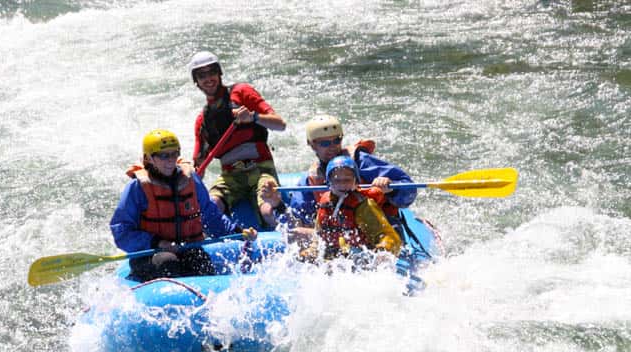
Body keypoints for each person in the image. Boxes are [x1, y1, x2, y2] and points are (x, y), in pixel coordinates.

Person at [110, 129, 255, 282]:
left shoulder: (189, 179)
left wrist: (238, 232)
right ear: (149, 158)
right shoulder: (137, 188)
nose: (170, 160)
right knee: (168, 262)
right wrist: (157, 242)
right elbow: (121, 230)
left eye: (174, 153)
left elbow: (211, 215)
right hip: (151, 253)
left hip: (186, 249)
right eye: (164, 155)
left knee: (201, 262)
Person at [261, 114, 416, 242]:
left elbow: (409, 190)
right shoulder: (310, 180)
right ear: (312, 145)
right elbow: (298, 224)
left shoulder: (361, 161)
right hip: (343, 237)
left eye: (337, 140)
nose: (333, 146)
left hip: (381, 227)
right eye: (325, 143)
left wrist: (391, 188)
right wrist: (277, 204)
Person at [188, 51, 287, 227]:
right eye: (202, 75)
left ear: (219, 73)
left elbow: (280, 124)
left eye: (212, 72)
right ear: (196, 81)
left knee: (267, 210)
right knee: (211, 207)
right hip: (230, 177)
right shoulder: (202, 121)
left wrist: (253, 117)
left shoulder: (242, 92)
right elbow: (198, 166)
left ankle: (287, 232)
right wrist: (191, 172)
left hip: (260, 168)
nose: (208, 78)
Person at [299, 156, 402, 263]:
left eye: (347, 179)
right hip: (340, 254)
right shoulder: (325, 204)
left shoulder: (364, 205)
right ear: (329, 182)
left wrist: (382, 251)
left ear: (355, 182)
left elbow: (390, 238)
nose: (342, 184)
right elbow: (319, 237)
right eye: (337, 180)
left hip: (365, 255)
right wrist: (312, 251)